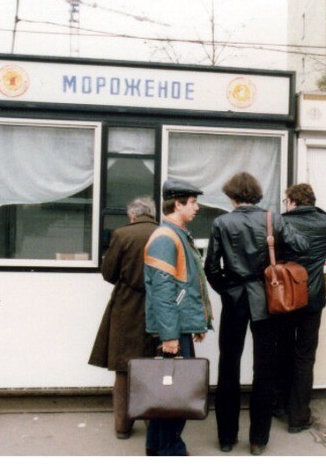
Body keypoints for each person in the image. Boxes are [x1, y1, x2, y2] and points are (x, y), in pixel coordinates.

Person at [204, 172, 307, 456]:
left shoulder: (222, 222)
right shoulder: (272, 219)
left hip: (234, 298)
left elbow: (211, 266)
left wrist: (226, 288)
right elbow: (302, 245)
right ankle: (258, 440)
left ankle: (226, 438)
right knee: (264, 370)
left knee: (228, 367)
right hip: (266, 299)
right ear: (256, 194)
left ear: (232, 195)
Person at [143, 180, 214, 458]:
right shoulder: (165, 237)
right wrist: (170, 335)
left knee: (166, 391)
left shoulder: (177, 234)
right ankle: (171, 451)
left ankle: (156, 446)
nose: (197, 207)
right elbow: (163, 292)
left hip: (177, 327)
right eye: (192, 202)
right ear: (178, 204)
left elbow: (187, 284)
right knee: (175, 395)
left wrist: (195, 323)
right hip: (171, 331)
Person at [89, 197, 159, 440]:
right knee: (152, 364)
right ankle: (153, 422)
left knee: (123, 367)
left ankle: (123, 426)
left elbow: (108, 273)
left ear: (132, 215)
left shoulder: (122, 235)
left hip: (127, 305)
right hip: (158, 306)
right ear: (151, 213)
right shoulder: (164, 233)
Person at [272, 184, 326, 433]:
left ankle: (280, 405)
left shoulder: (280, 223)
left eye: (286, 201)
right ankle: (298, 417)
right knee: (305, 356)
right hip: (313, 299)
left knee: (283, 350)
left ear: (292, 201)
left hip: (285, 296)